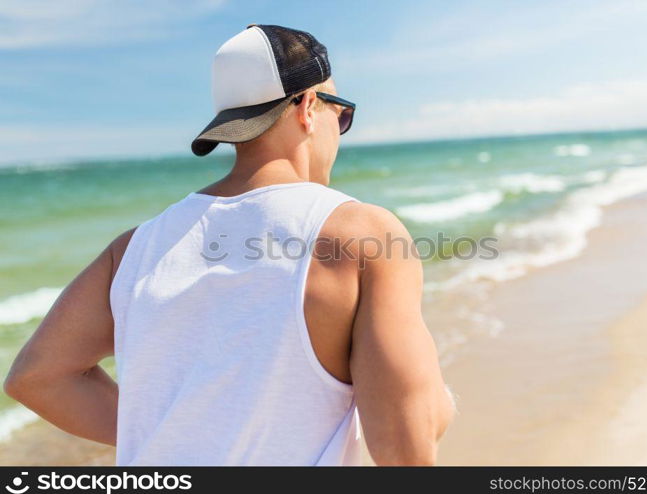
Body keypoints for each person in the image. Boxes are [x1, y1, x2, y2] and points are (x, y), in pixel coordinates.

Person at [4, 24, 455, 466]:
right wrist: (437, 401)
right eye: (343, 114)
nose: (340, 130)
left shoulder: (135, 247)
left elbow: (37, 378)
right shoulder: (362, 234)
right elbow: (402, 445)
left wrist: (180, 430)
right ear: (308, 107)